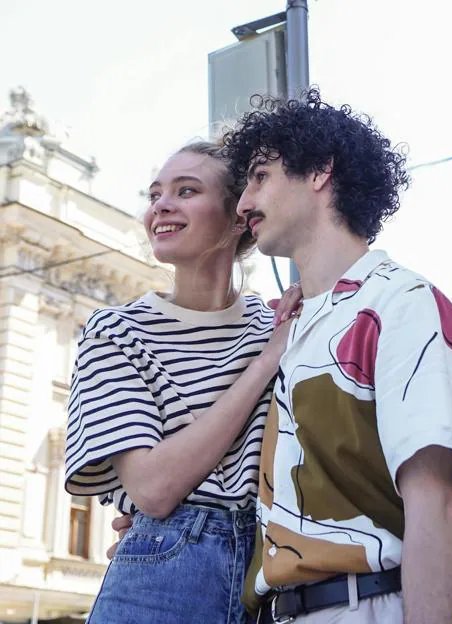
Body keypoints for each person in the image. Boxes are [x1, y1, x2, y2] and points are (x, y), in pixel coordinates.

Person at [222, 88, 452, 624]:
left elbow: (432, 501)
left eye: (261, 176)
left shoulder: (402, 304)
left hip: (367, 605)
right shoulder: (289, 330)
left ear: (319, 170)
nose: (244, 202)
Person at [64, 141, 300, 624]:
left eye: (186, 190)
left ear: (239, 217)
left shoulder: (279, 323)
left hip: (278, 571)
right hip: (163, 567)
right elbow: (153, 488)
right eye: (155, 195)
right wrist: (264, 363)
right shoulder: (115, 331)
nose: (161, 206)